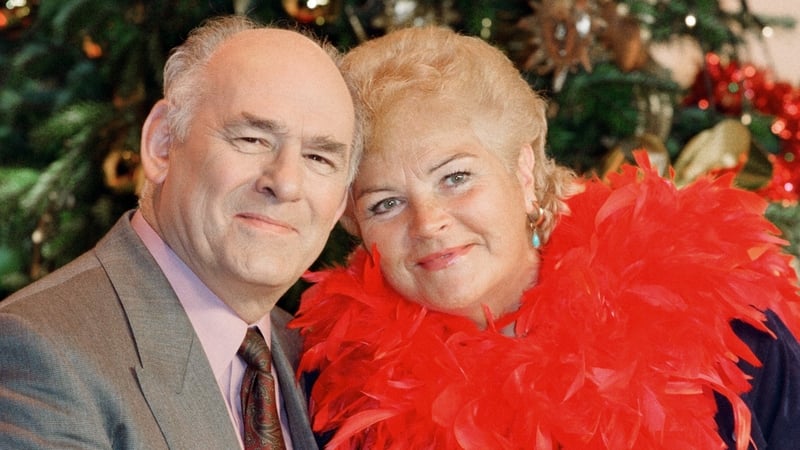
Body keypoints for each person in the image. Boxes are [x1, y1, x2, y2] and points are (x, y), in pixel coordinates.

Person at [290, 26, 800, 450]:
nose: (428, 223)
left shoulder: (720, 321)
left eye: (456, 177)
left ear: (524, 169)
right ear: (354, 224)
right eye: (386, 203)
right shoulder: (339, 391)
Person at [0, 14, 360, 449]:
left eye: (320, 159)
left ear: (340, 201)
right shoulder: (41, 350)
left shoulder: (320, 365)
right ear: (162, 144)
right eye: (252, 139)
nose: (285, 183)